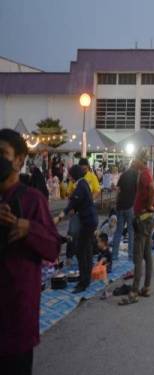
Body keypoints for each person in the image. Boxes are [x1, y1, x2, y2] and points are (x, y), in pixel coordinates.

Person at [0, 129, 60, 374]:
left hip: (17, 313)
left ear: (19, 160)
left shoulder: (33, 200)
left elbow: (53, 249)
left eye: (3, 153)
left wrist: (29, 229)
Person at [120, 150, 154, 305]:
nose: (133, 161)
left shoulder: (144, 174)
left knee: (138, 256)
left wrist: (147, 206)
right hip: (146, 218)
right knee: (147, 255)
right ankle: (146, 287)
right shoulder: (145, 173)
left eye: (135, 159)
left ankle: (134, 291)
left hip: (142, 219)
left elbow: (153, 189)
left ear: (140, 160)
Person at [56, 165, 98, 293]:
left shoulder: (80, 187)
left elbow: (72, 203)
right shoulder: (84, 183)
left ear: (74, 175)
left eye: (70, 175)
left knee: (80, 251)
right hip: (91, 220)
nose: (69, 177)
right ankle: (87, 278)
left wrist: (60, 216)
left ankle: (83, 282)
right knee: (88, 249)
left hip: (87, 222)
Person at [112, 164, 138, 261]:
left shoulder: (123, 175)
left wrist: (116, 203)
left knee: (118, 231)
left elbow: (118, 190)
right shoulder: (136, 175)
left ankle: (114, 255)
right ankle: (130, 255)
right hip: (130, 206)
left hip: (120, 206)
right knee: (131, 231)